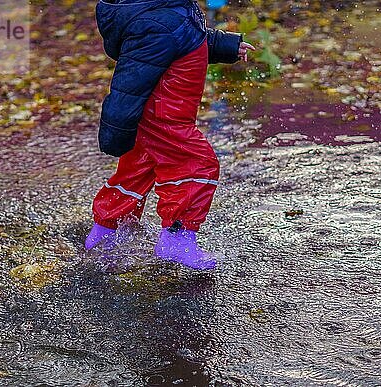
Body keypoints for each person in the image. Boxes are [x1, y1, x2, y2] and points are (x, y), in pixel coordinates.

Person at [85, 0, 255, 270]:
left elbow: (186, 36)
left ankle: (105, 231)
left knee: (138, 171)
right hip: (165, 118)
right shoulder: (157, 24)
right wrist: (115, 130)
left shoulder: (170, 11)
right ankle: (176, 240)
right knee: (198, 164)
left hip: (160, 115)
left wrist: (225, 45)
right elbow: (129, 83)